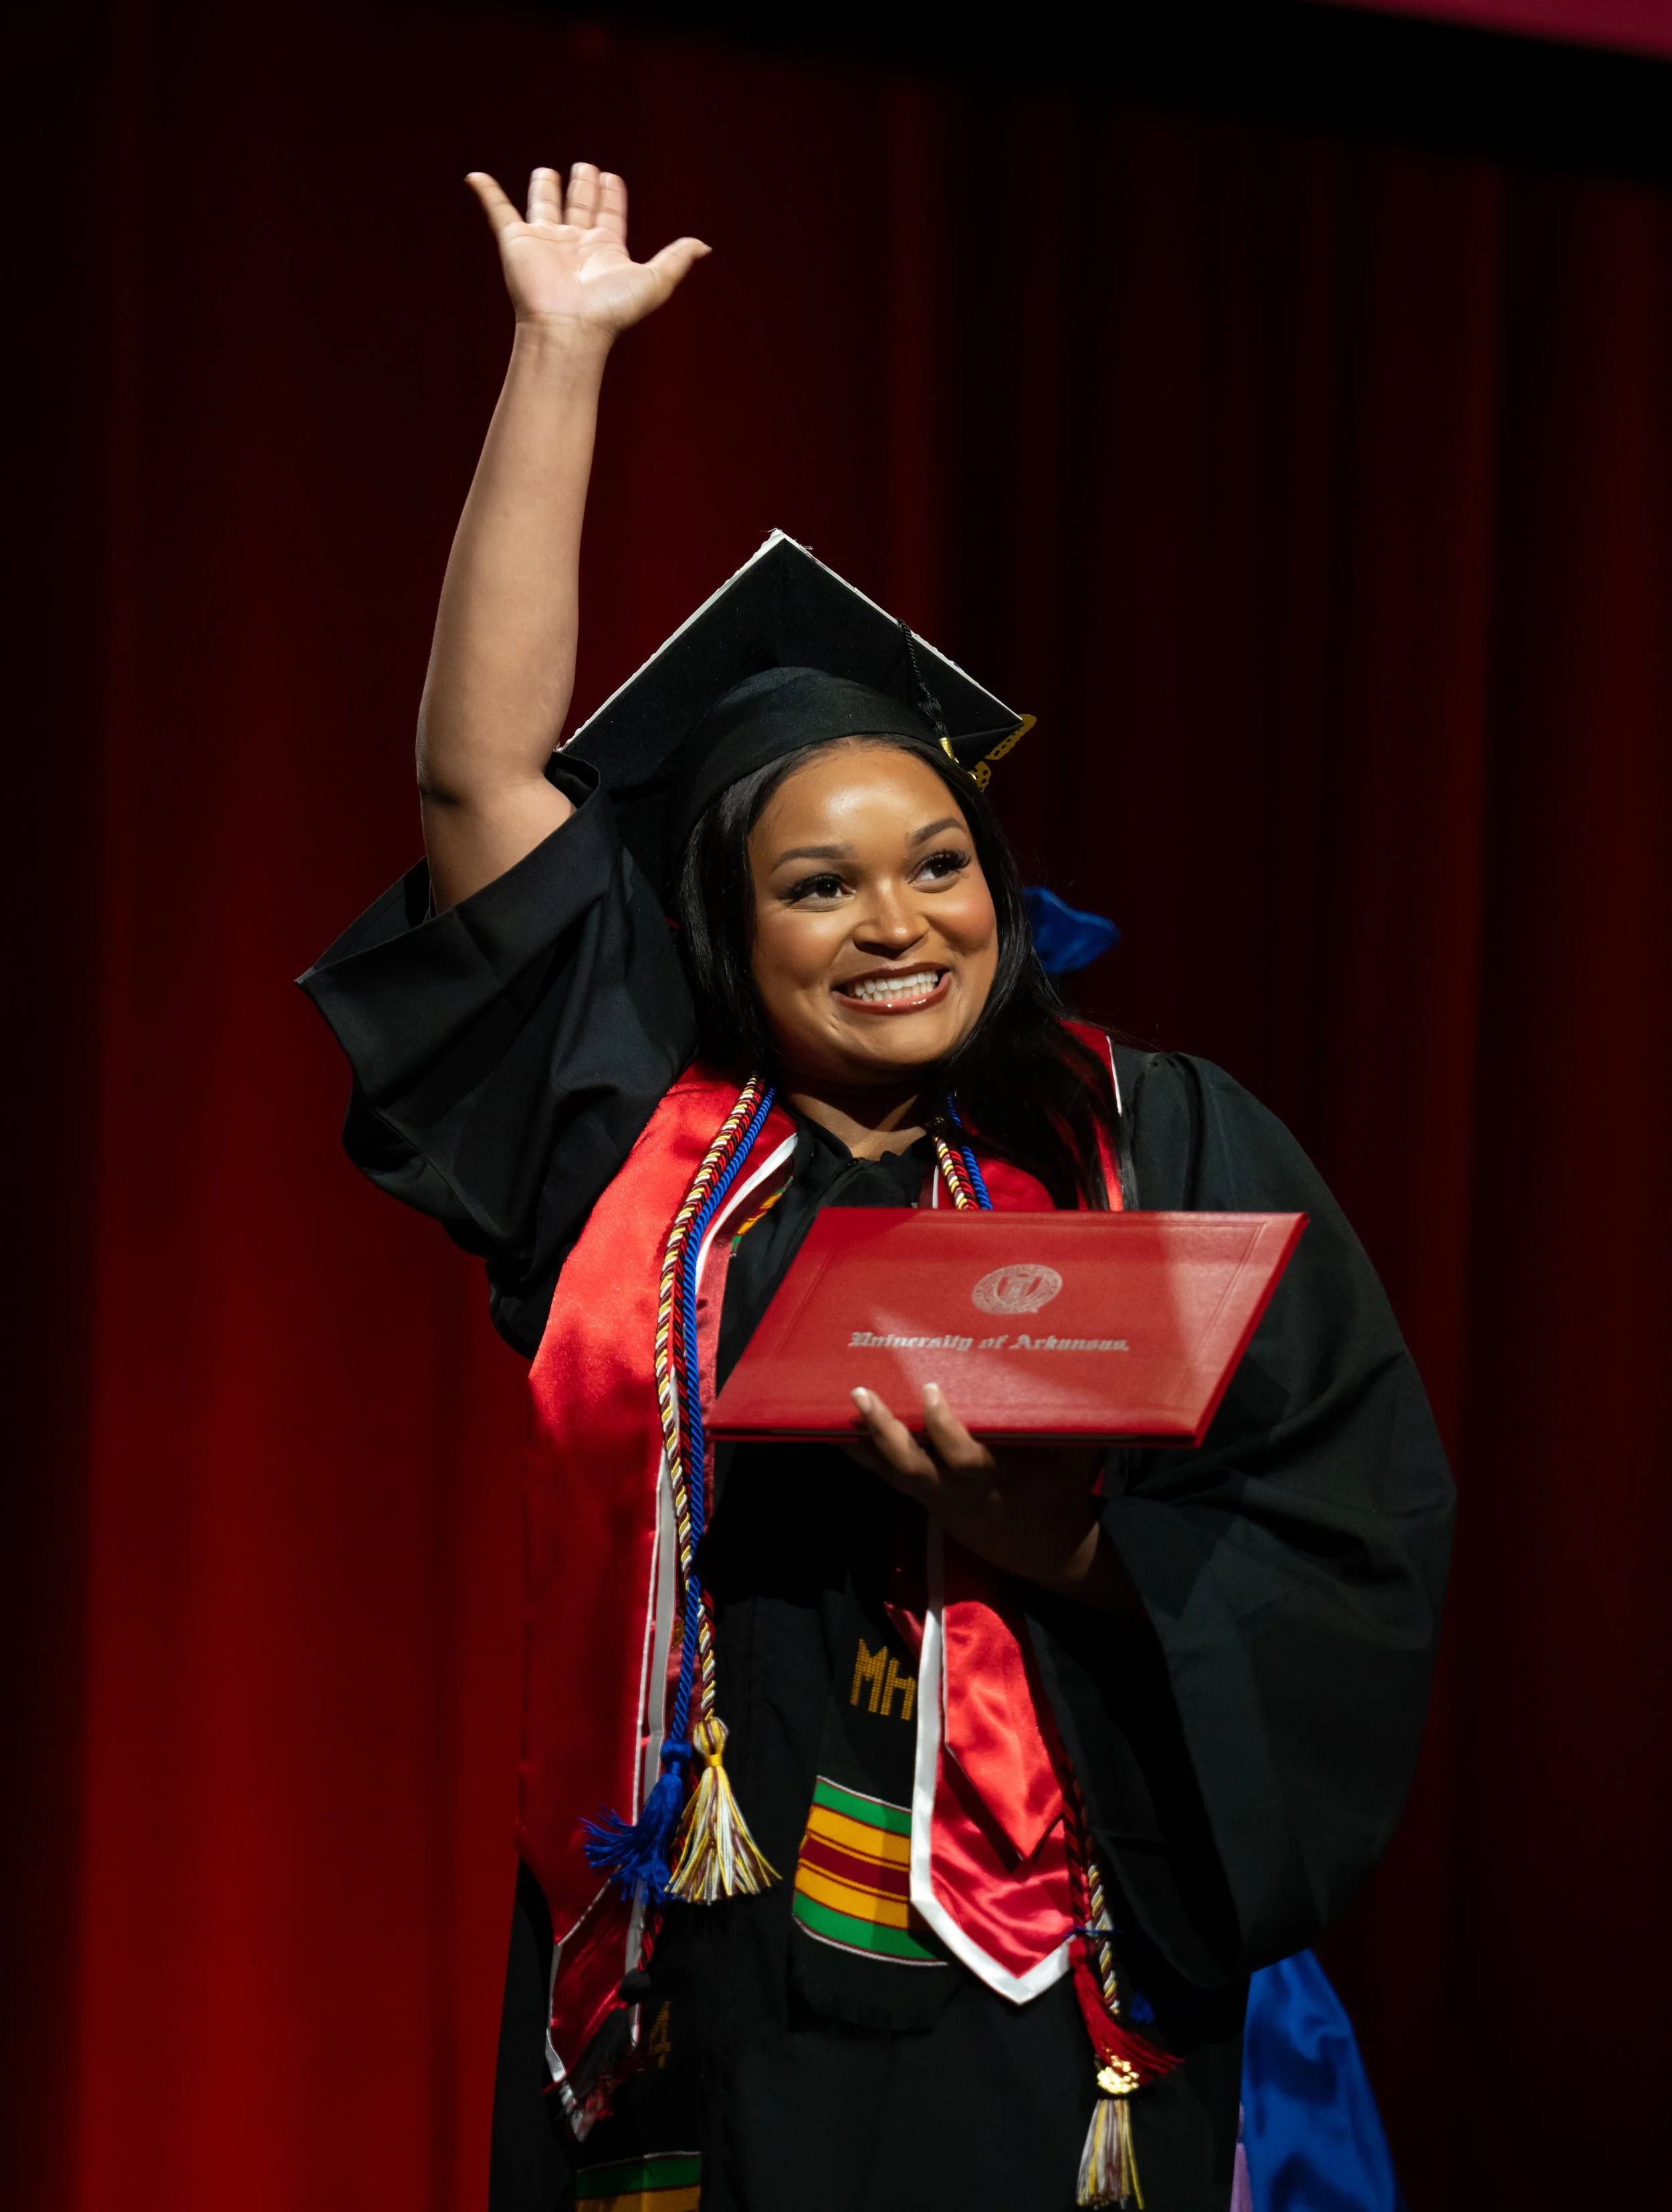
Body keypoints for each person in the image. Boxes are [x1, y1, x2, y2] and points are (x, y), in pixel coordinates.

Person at [300, 163, 1453, 2212]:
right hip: (699, 1979)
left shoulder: (1153, 1141)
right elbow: (482, 788)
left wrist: (1067, 1547)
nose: (894, 921)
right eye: (814, 886)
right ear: (726, 938)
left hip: (1051, 1996)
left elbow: (1348, 1529)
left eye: (937, 867)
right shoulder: (638, 1151)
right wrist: (556, 358)